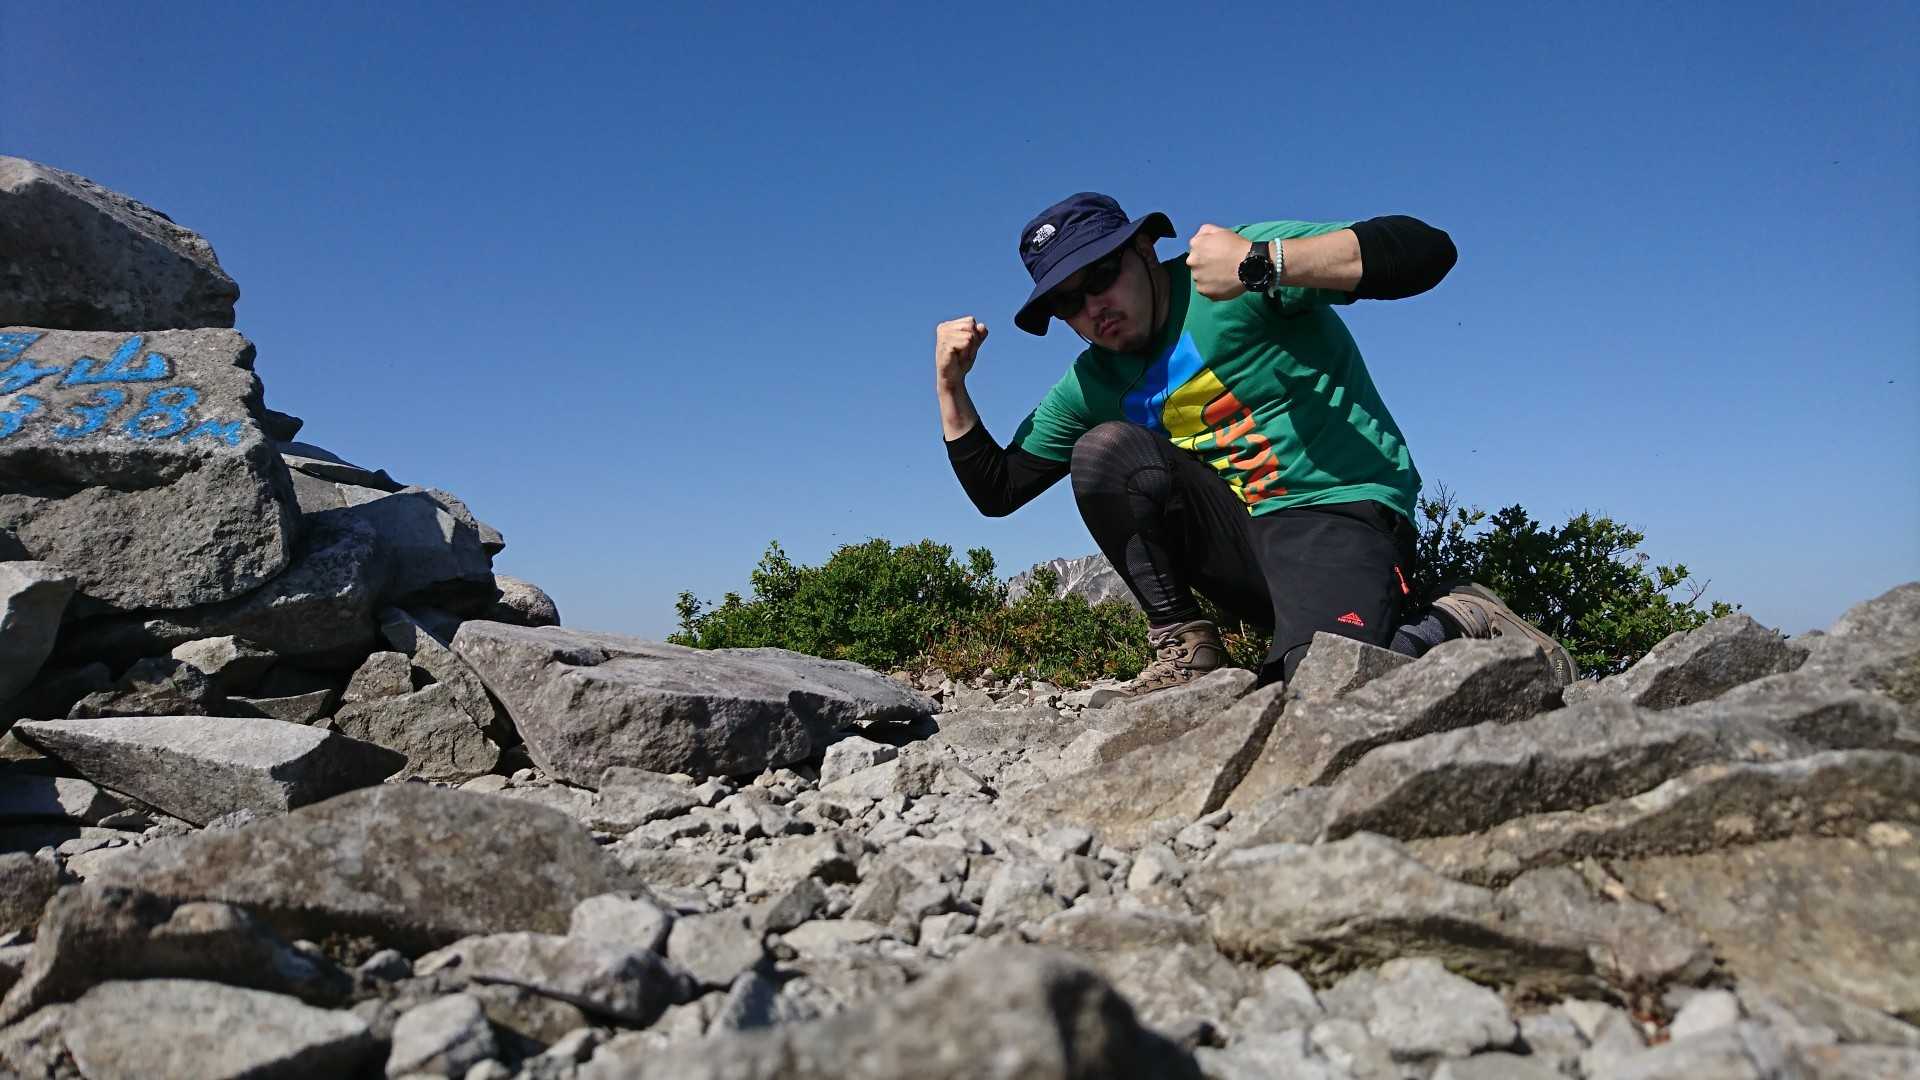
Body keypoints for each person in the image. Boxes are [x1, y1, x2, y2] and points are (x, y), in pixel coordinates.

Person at [935, 191, 1575, 697]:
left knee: (1319, 689)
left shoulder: (1233, 278)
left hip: (1337, 511)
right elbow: (1001, 489)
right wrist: (950, 386)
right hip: (1244, 541)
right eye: (1067, 302)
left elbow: (1428, 250)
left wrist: (1263, 263)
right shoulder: (1092, 381)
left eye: (1101, 275)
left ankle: (1458, 618)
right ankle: (1186, 649)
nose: (1092, 306)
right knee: (1104, 452)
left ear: (1143, 248)